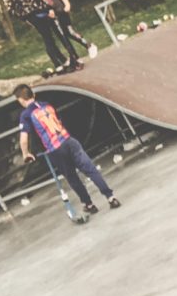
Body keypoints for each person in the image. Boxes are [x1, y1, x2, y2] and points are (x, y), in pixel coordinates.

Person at [14, 84, 121, 214]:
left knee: (72, 177)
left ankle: (88, 204)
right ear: (33, 95)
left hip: (55, 148)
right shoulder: (47, 105)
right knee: (90, 169)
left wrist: (26, 154)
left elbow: (24, 139)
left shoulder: (26, 115)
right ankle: (111, 197)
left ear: (20, 100)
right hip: (69, 140)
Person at [5, 0, 82, 77]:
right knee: (59, 34)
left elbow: (11, 8)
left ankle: (58, 64)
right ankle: (74, 59)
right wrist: (49, 8)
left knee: (47, 39)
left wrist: (24, 17)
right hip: (42, 12)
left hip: (32, 17)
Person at [24, 0, 98, 58]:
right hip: (50, 16)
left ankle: (89, 45)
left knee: (69, 32)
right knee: (62, 37)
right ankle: (74, 57)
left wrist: (67, 5)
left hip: (60, 11)